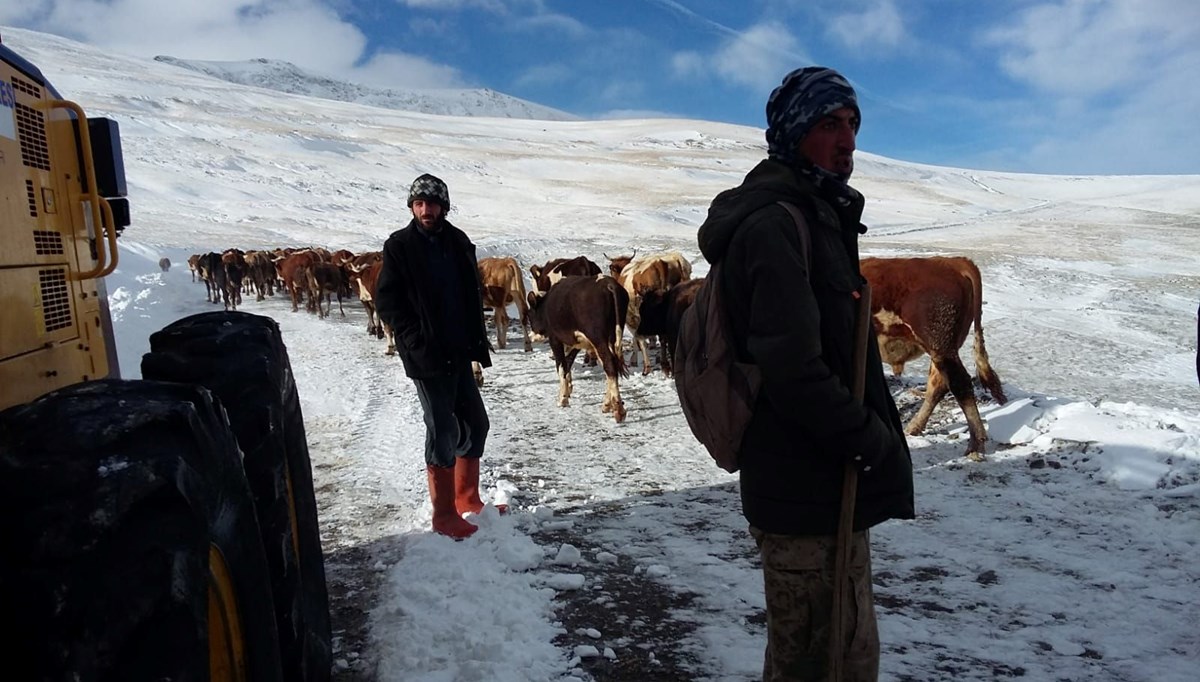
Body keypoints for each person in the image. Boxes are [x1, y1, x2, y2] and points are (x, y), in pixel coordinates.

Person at [695, 67, 915, 680]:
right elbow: (793, 369)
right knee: (818, 662)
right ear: (794, 134)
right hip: (804, 486)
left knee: (838, 654)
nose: (846, 140)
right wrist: (873, 441)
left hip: (823, 481)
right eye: (828, 125)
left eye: (852, 125)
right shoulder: (776, 225)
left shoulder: (818, 214)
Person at [374, 173, 498, 539]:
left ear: (444, 206)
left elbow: (469, 294)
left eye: (432, 203)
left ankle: (467, 500)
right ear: (412, 207)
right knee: (442, 428)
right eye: (419, 204)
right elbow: (387, 301)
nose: (425, 210)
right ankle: (443, 514)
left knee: (476, 423)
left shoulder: (459, 242)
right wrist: (414, 340)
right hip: (427, 357)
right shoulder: (400, 246)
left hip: (459, 351)